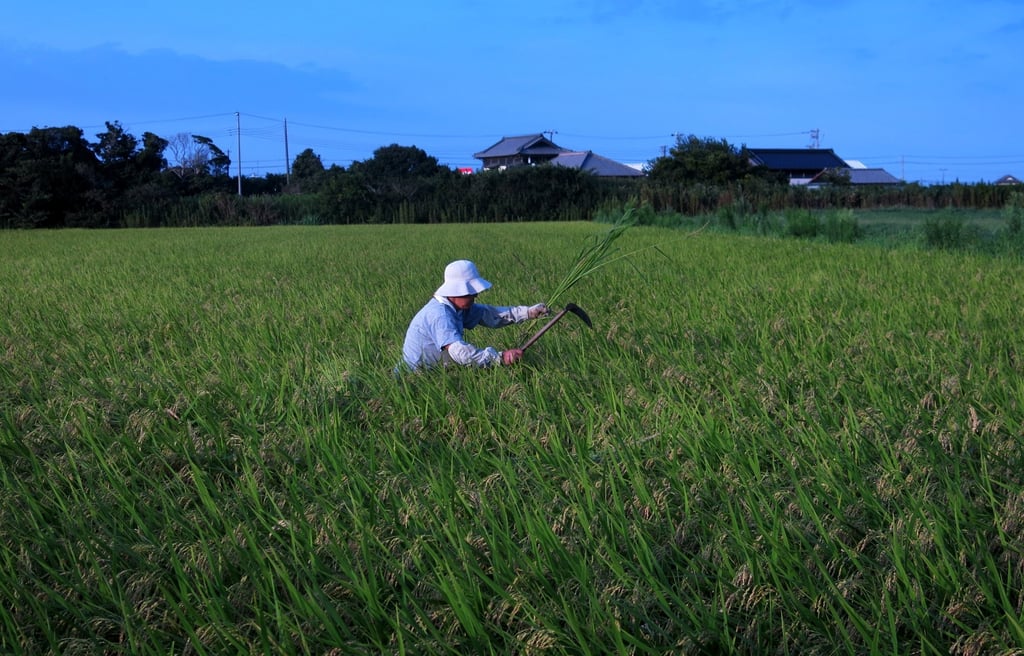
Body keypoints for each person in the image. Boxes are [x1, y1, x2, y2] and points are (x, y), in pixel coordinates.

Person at [399, 259, 548, 372]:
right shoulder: (440, 315)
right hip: (413, 377)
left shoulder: (457, 307)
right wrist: (500, 358)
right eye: (470, 293)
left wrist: (528, 312)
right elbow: (459, 352)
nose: (475, 295)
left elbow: (491, 315)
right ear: (456, 291)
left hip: (436, 372)